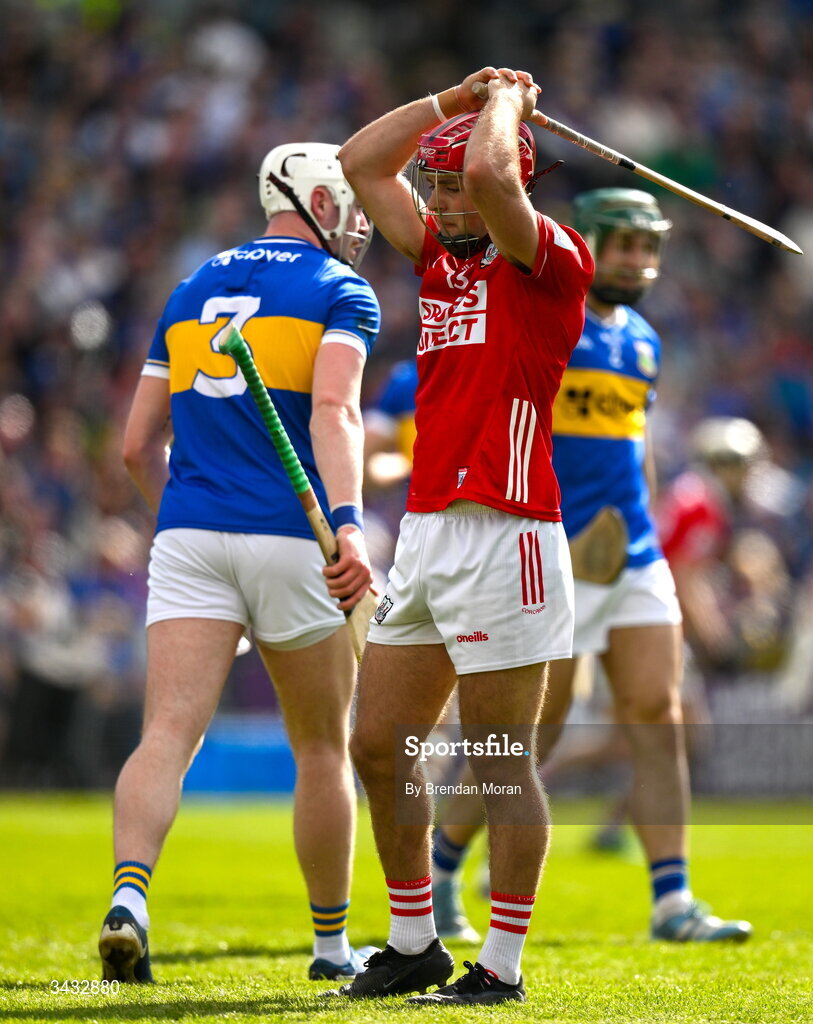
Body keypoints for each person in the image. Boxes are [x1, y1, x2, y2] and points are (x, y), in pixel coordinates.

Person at [334, 66, 594, 1005]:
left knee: (495, 758)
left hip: (510, 531)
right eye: (432, 185)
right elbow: (362, 162)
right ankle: (414, 943)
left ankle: (501, 965)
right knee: (378, 743)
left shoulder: (551, 258)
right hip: (430, 534)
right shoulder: (440, 261)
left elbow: (492, 180)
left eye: (451, 184)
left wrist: (505, 106)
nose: (440, 199)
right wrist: (454, 97)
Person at [430, 189, 753, 944]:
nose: (637, 262)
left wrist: (636, 524)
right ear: (589, 243)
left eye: (648, 248)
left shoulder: (642, 340)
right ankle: (444, 863)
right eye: (622, 246)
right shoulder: (548, 316)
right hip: (548, 551)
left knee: (657, 715)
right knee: (531, 735)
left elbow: (632, 450)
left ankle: (672, 902)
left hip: (632, 555)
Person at [98, 143, 381, 984]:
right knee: (322, 749)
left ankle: (129, 899)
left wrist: (184, 525)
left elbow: (134, 447)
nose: (360, 218)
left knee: (166, 736)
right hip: (294, 538)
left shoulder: (189, 289)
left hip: (188, 533)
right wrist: (351, 527)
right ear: (317, 199)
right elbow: (334, 413)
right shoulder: (340, 290)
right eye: (351, 199)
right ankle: (331, 948)